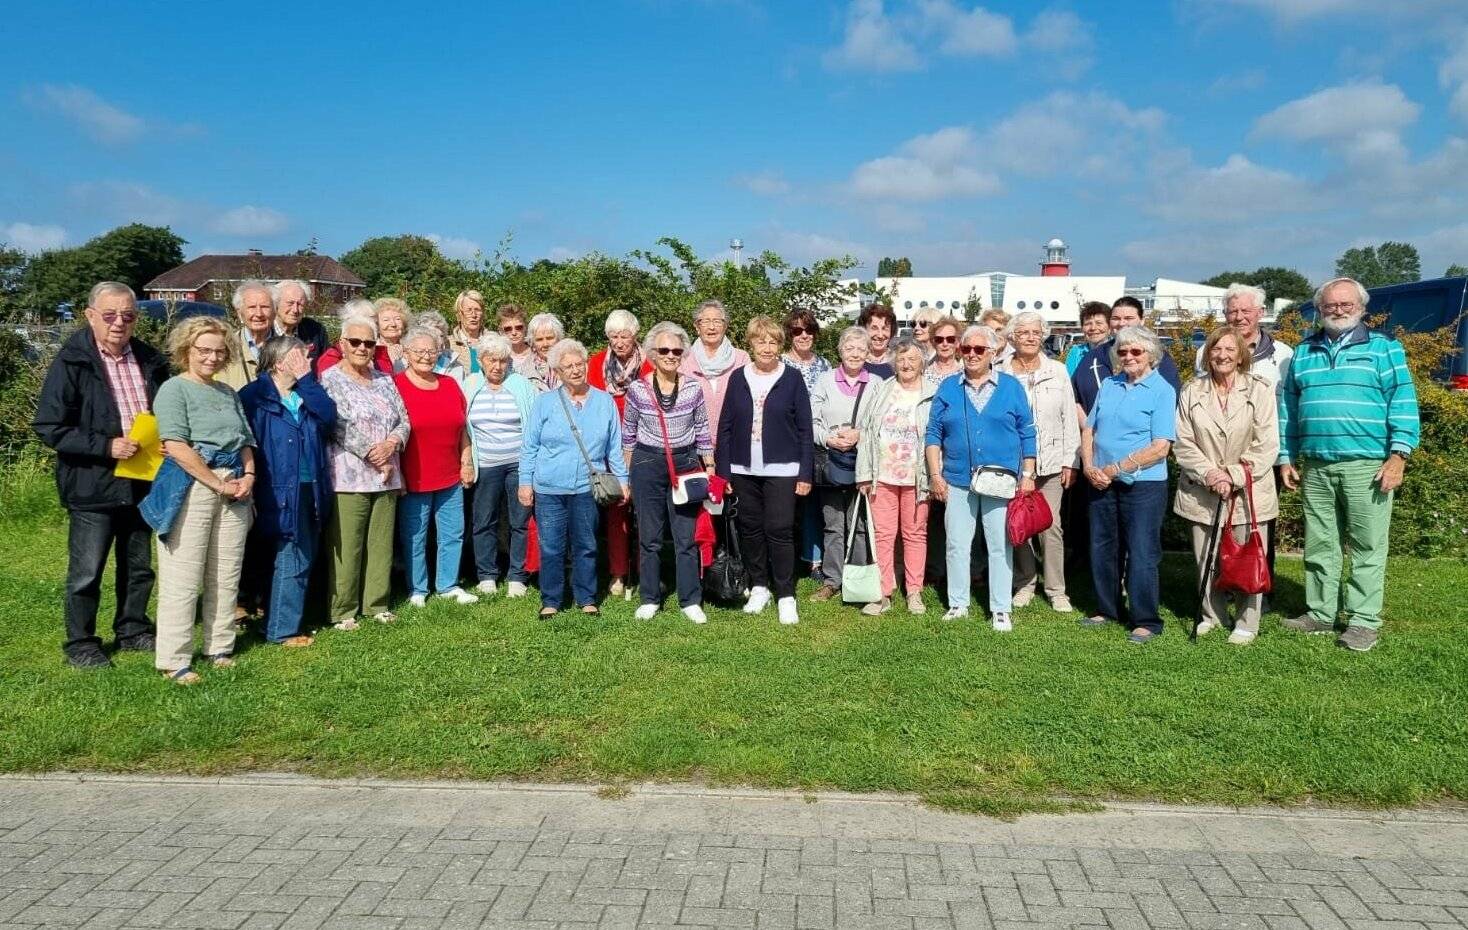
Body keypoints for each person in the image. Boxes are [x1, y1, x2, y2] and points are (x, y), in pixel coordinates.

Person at [1278, 277, 1420, 652]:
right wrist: (1286, 456)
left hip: (1368, 464)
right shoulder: (1304, 352)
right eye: (1329, 305)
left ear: (1362, 308)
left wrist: (1398, 455)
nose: (1337, 310)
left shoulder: (1384, 348)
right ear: (1319, 309)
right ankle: (1321, 614)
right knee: (1320, 543)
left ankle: (1362, 620)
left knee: (1367, 546)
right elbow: (1289, 409)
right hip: (1317, 465)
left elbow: (1403, 401)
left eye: (1345, 304)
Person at [33, 281, 169, 669]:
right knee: (87, 570)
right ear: (90, 315)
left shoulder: (148, 358)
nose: (118, 322)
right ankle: (81, 642)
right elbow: (49, 426)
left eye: (127, 315)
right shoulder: (72, 361)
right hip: (92, 483)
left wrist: (164, 440)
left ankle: (133, 629)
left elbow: (161, 413)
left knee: (139, 566)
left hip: (143, 480)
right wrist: (105, 446)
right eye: (109, 315)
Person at [145, 317, 256, 684]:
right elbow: (175, 446)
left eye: (218, 351)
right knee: (184, 573)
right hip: (193, 485)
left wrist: (248, 476)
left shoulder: (228, 393)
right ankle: (174, 659)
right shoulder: (174, 390)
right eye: (203, 350)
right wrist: (215, 484)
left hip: (235, 485)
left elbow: (245, 442)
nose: (211, 357)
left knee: (226, 571)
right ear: (186, 351)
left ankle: (219, 646)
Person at [925, 325, 1036, 629]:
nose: (971, 355)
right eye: (966, 349)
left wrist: (1028, 473)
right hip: (958, 479)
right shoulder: (949, 387)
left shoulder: (1011, 387)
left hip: (1000, 479)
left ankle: (1000, 607)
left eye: (979, 349)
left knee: (999, 543)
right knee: (957, 543)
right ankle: (958, 602)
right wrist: (935, 474)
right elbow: (933, 433)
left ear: (992, 353)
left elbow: (1027, 431)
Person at [1174, 326, 1279, 646]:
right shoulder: (1192, 390)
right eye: (1216, 350)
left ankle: (1247, 621)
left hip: (1247, 490)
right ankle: (1212, 615)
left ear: (1241, 356)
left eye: (1229, 350)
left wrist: (1232, 475)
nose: (1222, 356)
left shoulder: (1259, 390)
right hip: (1201, 489)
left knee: (1247, 556)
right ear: (1208, 355)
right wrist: (1210, 474)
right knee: (1205, 556)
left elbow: (1267, 443)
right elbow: (1183, 441)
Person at [1079, 326, 1177, 644]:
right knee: (1103, 547)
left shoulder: (1162, 390)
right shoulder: (1109, 384)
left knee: (1141, 551)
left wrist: (1116, 468)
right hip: (1101, 481)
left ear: (1151, 354)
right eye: (1123, 352)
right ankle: (1107, 609)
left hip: (1142, 485)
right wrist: (1089, 466)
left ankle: (1146, 619)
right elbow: (1089, 428)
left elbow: (1161, 446)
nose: (1129, 357)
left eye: (1136, 351)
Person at [519, 339, 630, 617]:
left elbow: (614, 447)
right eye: (567, 366)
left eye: (579, 364)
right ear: (557, 370)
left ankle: (587, 598)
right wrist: (525, 482)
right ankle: (551, 600)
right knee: (552, 546)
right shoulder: (544, 402)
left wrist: (623, 480)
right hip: (548, 487)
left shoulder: (604, 401)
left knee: (586, 545)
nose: (575, 370)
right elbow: (529, 445)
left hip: (586, 488)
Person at [238, 336, 336, 647]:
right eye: (299, 356)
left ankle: (282, 623)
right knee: (289, 555)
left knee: (298, 554)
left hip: (309, 486)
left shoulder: (304, 392)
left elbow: (329, 416)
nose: (307, 361)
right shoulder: (255, 396)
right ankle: (281, 630)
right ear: (280, 363)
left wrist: (307, 381)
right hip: (273, 488)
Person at [715, 315, 814, 625]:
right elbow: (726, 426)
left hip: (783, 469)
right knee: (750, 529)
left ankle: (785, 594)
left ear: (780, 345)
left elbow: (805, 429)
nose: (767, 348)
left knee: (780, 530)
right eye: (761, 341)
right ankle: (759, 586)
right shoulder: (738, 377)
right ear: (752, 344)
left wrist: (805, 473)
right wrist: (723, 473)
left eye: (773, 342)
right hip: (743, 469)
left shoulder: (792, 378)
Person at [320, 315, 410, 629]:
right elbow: (337, 424)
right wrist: (375, 454)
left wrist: (391, 444)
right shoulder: (330, 379)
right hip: (350, 474)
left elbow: (404, 419)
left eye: (369, 343)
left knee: (381, 542)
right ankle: (343, 610)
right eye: (355, 342)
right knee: (348, 544)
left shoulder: (385, 378)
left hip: (387, 474)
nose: (362, 348)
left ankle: (377, 603)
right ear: (342, 344)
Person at [621, 322, 714, 624]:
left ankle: (690, 599)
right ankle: (650, 597)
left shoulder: (692, 387)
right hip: (647, 464)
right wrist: (626, 476)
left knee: (685, 536)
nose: (671, 355)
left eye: (676, 350)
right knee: (649, 536)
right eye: (664, 350)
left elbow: (702, 430)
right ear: (652, 353)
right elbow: (628, 434)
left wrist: (709, 467)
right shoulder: (637, 388)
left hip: (686, 463)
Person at [999, 311, 1079, 613]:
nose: (1030, 338)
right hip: (1013, 463)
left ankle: (1056, 589)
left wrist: (1073, 461)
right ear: (1012, 338)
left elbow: (1069, 417)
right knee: (1018, 524)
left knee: (1051, 526)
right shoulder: (1001, 372)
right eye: (1023, 333)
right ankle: (1025, 582)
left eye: (1035, 332)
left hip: (1052, 462)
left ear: (1043, 335)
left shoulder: (1057, 371)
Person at [395, 327, 478, 608]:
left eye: (431, 351)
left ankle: (447, 584)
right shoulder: (396, 386)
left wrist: (466, 462)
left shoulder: (450, 385)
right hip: (414, 476)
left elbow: (462, 428)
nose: (426, 356)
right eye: (418, 351)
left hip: (450, 475)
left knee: (453, 532)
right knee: (415, 536)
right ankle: (418, 589)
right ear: (405, 354)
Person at [855, 339, 935, 616]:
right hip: (883, 476)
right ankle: (882, 593)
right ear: (893, 363)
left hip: (918, 477)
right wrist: (864, 474)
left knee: (915, 534)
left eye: (913, 358)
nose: (907, 364)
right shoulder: (882, 390)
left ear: (922, 361)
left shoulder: (933, 393)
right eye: (901, 359)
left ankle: (914, 592)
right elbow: (865, 433)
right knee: (883, 536)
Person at [809, 326, 882, 602]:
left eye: (860, 349)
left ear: (867, 353)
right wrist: (828, 439)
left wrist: (859, 435)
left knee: (860, 521)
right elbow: (812, 419)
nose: (854, 354)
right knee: (833, 523)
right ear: (840, 351)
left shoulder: (875, 383)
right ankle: (832, 580)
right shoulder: (824, 381)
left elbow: (879, 421)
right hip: (831, 461)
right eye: (849, 348)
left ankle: (859, 576)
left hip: (862, 462)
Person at [463, 333, 536, 598]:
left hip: (518, 463)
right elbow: (463, 426)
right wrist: (467, 461)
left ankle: (517, 575)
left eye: (503, 361)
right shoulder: (470, 384)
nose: (497, 366)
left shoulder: (521, 385)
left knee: (520, 520)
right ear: (481, 361)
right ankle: (487, 574)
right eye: (491, 360)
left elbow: (533, 426)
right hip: (486, 464)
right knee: (484, 520)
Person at [587, 309, 652, 598]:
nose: (619, 341)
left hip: (646, 445)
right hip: (608, 449)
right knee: (616, 512)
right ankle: (617, 573)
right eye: (613, 336)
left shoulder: (650, 362)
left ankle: (645, 571)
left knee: (646, 514)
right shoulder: (597, 363)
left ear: (635, 335)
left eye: (624, 335)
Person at [783, 308, 831, 578]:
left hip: (816, 443)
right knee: (786, 505)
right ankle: (786, 557)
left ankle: (814, 560)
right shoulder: (779, 363)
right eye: (797, 331)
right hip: (786, 441)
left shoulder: (825, 365)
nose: (803, 335)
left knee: (813, 504)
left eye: (809, 330)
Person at [1071, 297, 1182, 415]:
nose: (1121, 323)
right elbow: (1075, 397)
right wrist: (1088, 428)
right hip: (1097, 430)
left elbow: (1169, 400)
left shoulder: (1157, 355)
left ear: (1142, 321)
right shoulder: (1094, 356)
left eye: (1129, 318)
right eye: (1116, 318)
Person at [1192, 284, 1293, 386]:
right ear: (1225, 314)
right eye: (1233, 312)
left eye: (1246, 311)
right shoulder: (1205, 353)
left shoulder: (1284, 354)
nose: (1239, 317)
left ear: (1260, 313)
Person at [680, 299, 750, 446]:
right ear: (696, 326)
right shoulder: (683, 360)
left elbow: (748, 403)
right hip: (692, 445)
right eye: (705, 321)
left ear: (725, 326)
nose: (711, 327)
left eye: (717, 321)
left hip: (733, 442)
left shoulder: (741, 358)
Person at [218, 280, 275, 389]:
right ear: (240, 313)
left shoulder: (288, 349)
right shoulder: (225, 347)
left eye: (265, 307)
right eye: (252, 307)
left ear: (274, 311)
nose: (259, 314)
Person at [273, 280, 329, 361]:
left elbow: (327, 365)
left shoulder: (316, 331)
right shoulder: (264, 331)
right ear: (276, 303)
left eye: (300, 304)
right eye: (290, 303)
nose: (295, 310)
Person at [1065, 302, 1112, 376]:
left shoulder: (1118, 351)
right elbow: (1069, 381)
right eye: (1088, 324)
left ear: (1110, 327)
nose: (1093, 328)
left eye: (1099, 323)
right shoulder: (1076, 352)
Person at [449, 290, 487, 374]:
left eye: (477, 310)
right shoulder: (448, 344)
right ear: (459, 315)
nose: (474, 315)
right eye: (469, 310)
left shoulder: (493, 341)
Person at [525, 312, 565, 392]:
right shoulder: (524, 371)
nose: (545, 344)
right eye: (539, 339)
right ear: (533, 343)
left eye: (549, 338)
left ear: (558, 339)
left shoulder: (573, 365)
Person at [858, 302, 898, 376]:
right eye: (874, 328)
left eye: (884, 328)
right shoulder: (855, 360)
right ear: (864, 329)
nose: (880, 335)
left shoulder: (899, 360)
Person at [498, 303, 536, 378]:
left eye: (519, 327)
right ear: (501, 331)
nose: (514, 333)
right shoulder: (498, 356)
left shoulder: (536, 354)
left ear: (525, 327)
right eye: (508, 329)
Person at [923, 316, 962, 386]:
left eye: (950, 339)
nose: (945, 344)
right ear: (933, 342)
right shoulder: (923, 373)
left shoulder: (965, 374)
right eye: (939, 339)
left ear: (958, 342)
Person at [376, 298, 412, 372]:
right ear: (376, 324)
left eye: (397, 319)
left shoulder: (411, 349)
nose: (393, 324)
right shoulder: (371, 349)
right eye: (386, 320)